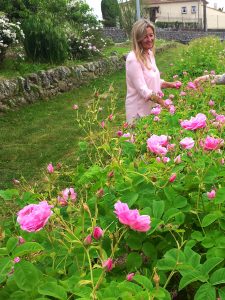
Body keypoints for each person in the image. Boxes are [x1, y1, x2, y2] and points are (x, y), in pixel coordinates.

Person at [125, 19, 181, 124]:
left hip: (151, 108)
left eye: (151, 35)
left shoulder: (149, 53)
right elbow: (143, 90)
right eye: (145, 36)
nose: (149, 39)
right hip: (138, 112)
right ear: (138, 38)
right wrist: (162, 102)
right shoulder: (133, 59)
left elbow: (154, 80)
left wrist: (171, 84)